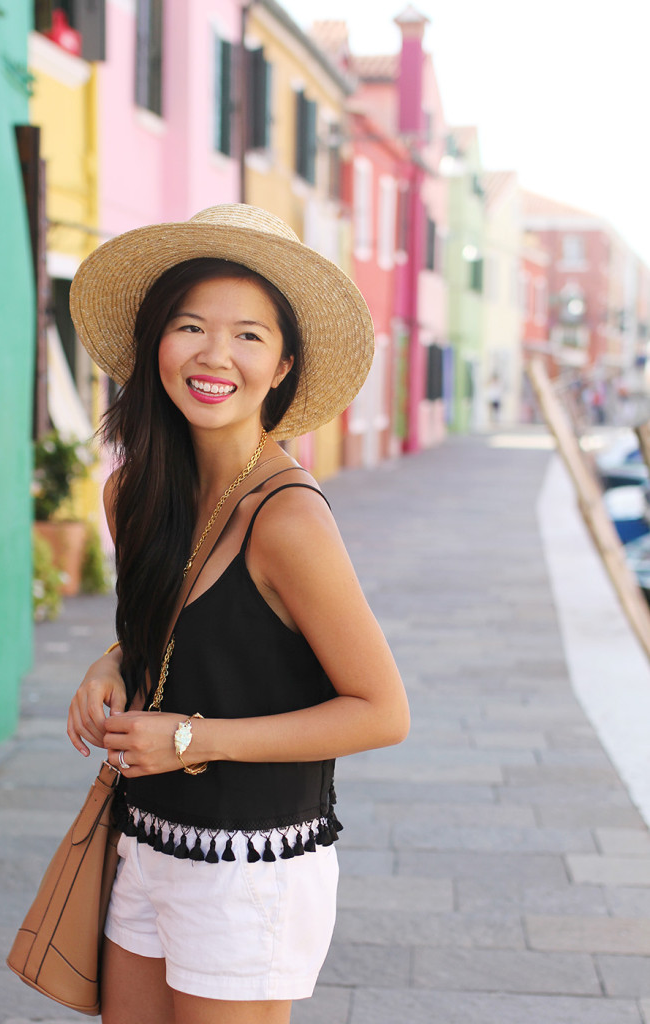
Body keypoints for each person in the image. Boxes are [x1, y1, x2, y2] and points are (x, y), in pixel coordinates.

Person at [66, 204, 410, 1024]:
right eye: (190, 326)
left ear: (283, 363)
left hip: (250, 863)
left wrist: (190, 737)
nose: (214, 355)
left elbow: (382, 712)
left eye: (249, 335)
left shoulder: (288, 520)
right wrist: (115, 660)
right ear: (156, 343)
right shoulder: (134, 493)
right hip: (146, 836)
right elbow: (183, 622)